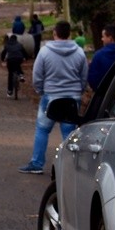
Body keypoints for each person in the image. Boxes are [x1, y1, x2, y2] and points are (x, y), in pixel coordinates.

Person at [18, 20, 88, 174]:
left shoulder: (45, 52)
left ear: (55, 33)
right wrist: (78, 92)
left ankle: (37, 163)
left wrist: (41, 90)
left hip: (51, 96)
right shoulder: (79, 52)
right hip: (72, 97)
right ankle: (71, 167)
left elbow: (37, 75)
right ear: (70, 34)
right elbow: (84, 77)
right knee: (69, 133)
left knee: (42, 129)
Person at [87, 23, 115, 92]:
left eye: (103, 36)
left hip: (103, 95)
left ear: (110, 38)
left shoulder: (99, 55)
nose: (102, 39)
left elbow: (92, 78)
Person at [0, 34, 28, 99]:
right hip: (19, 59)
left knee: (10, 73)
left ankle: (10, 90)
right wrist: (26, 58)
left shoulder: (7, 45)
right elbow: (24, 52)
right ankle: (21, 75)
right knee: (18, 66)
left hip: (10, 60)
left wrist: (2, 59)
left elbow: (3, 53)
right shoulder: (19, 45)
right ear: (16, 39)